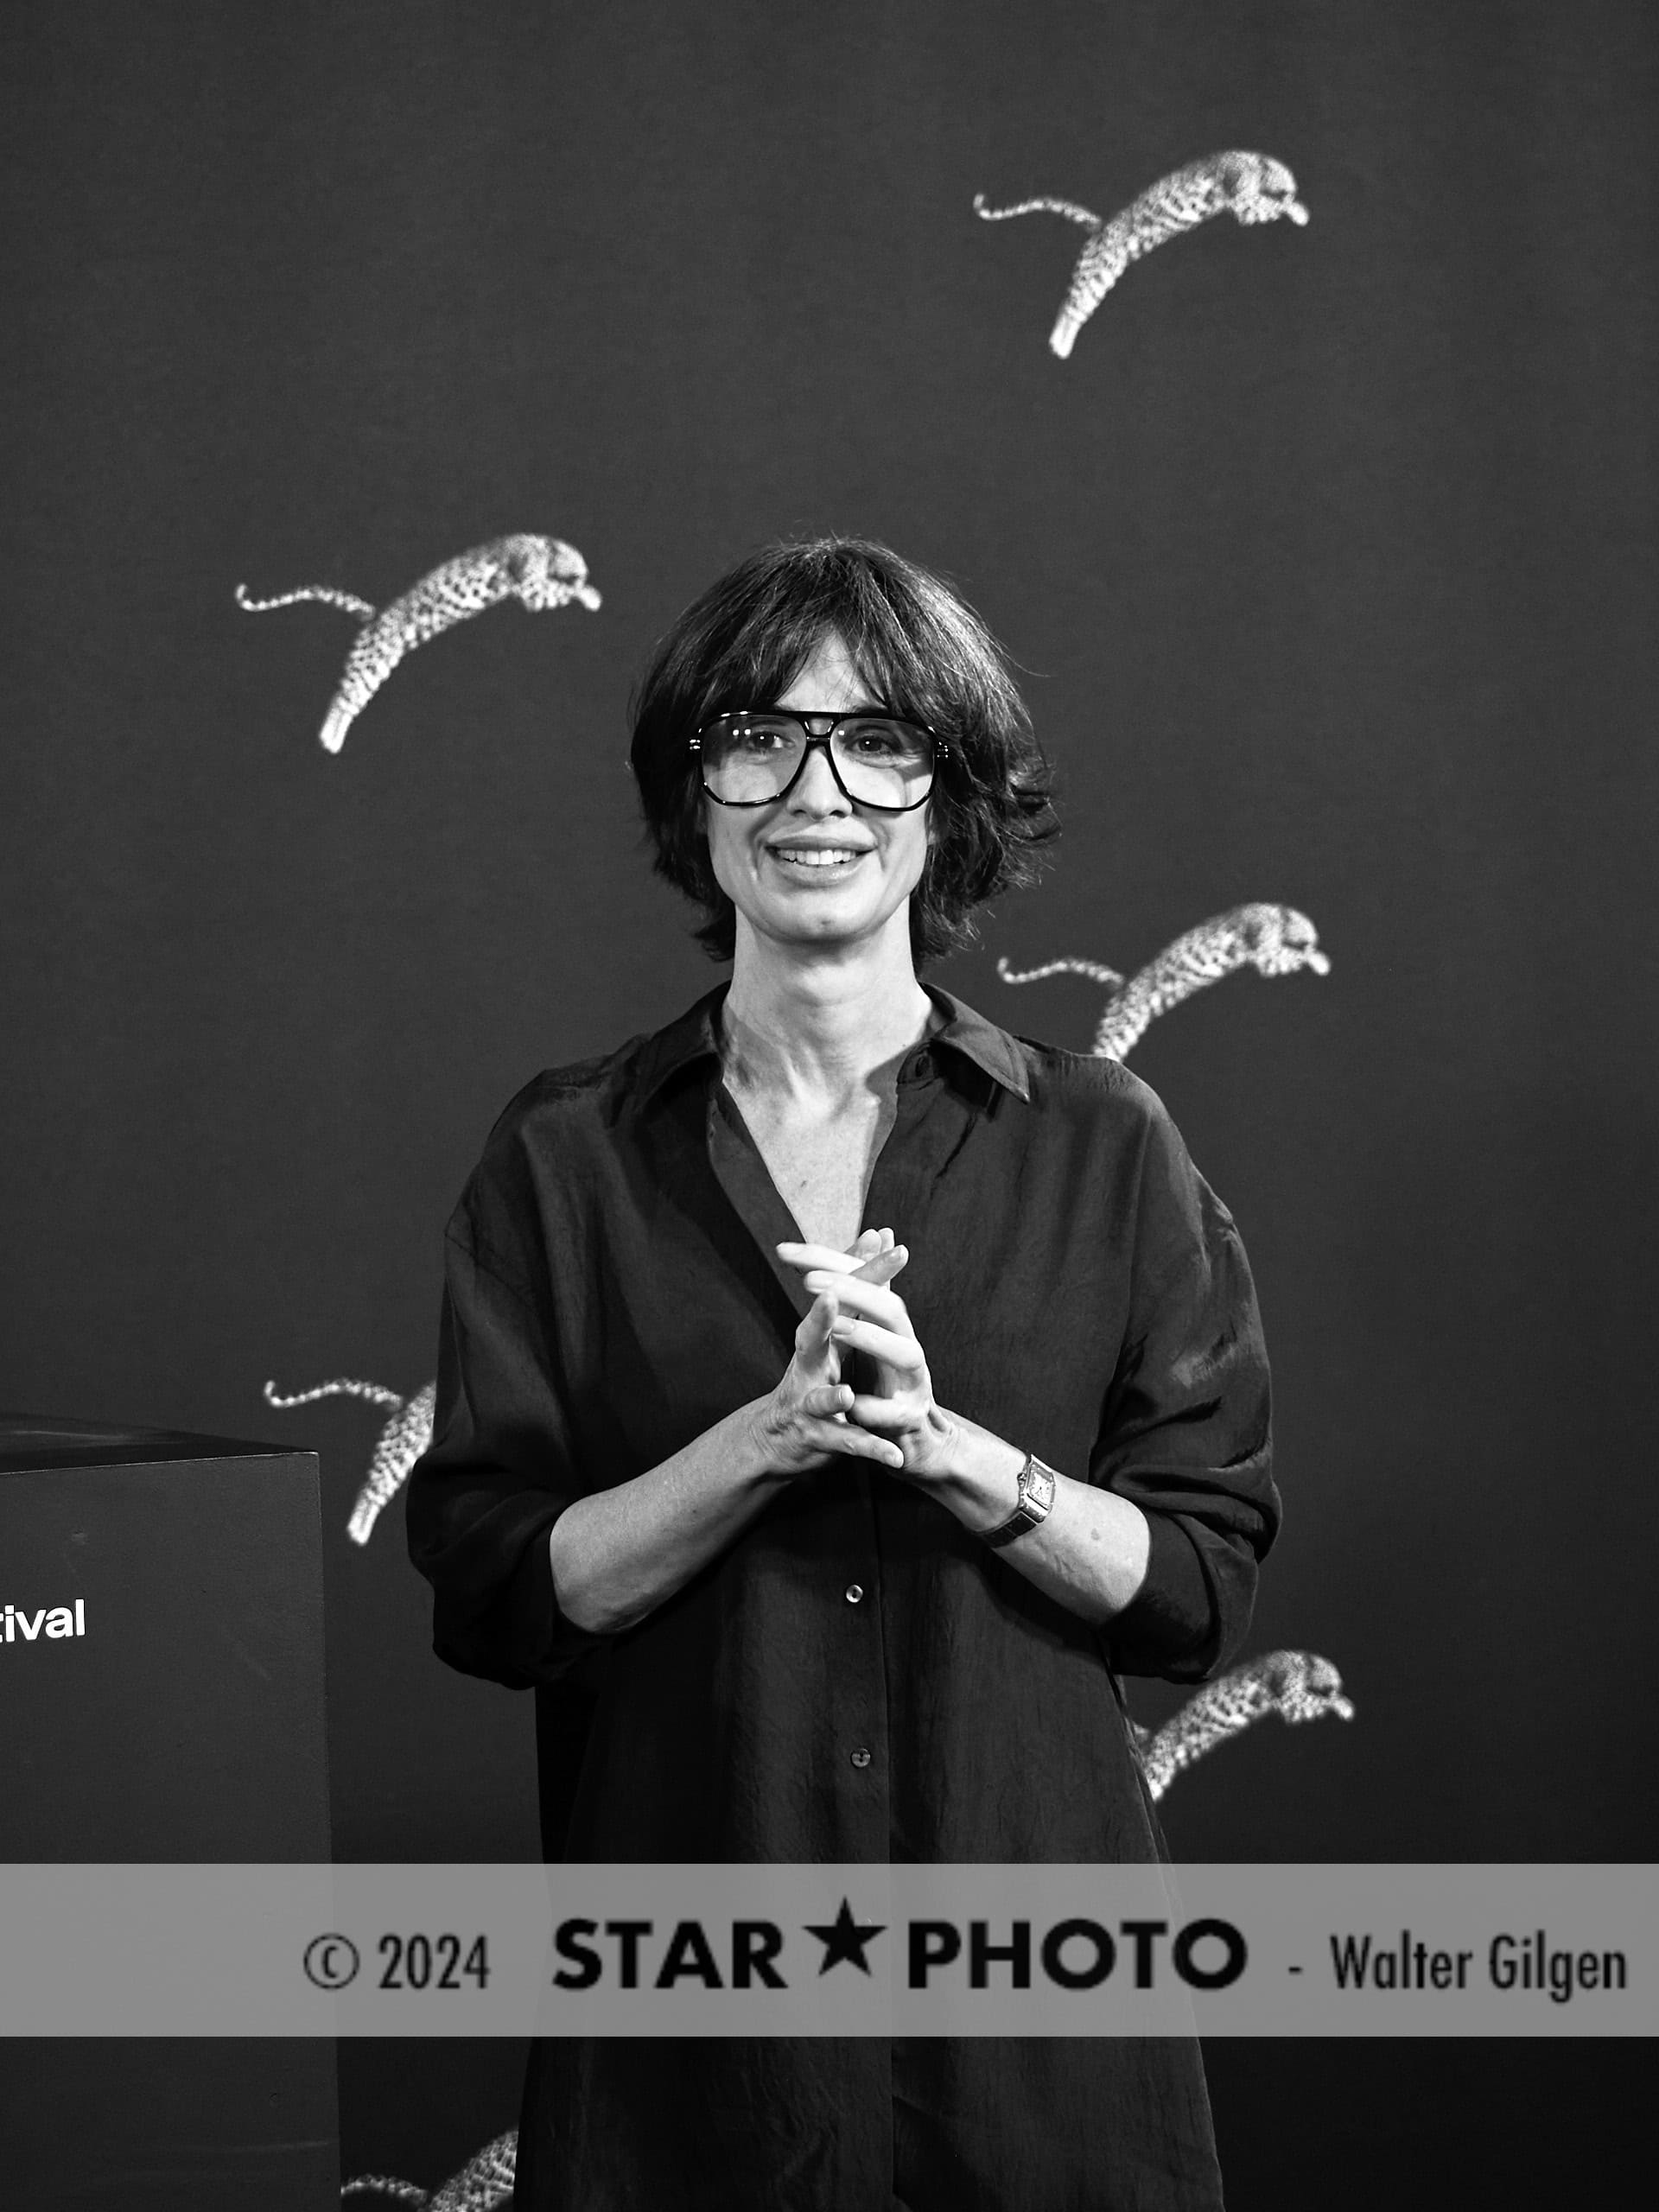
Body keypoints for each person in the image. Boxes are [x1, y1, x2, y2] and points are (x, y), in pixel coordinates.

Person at [406, 537, 1280, 2210]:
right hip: (688, 2030)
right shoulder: (567, 1151)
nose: (818, 790)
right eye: (760, 735)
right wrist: (768, 1436)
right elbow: (498, 1592)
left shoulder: (1101, 1142)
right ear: (697, 786)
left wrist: (951, 1448)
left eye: (880, 741)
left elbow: (1195, 1589)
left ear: (951, 797)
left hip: (1038, 2027)